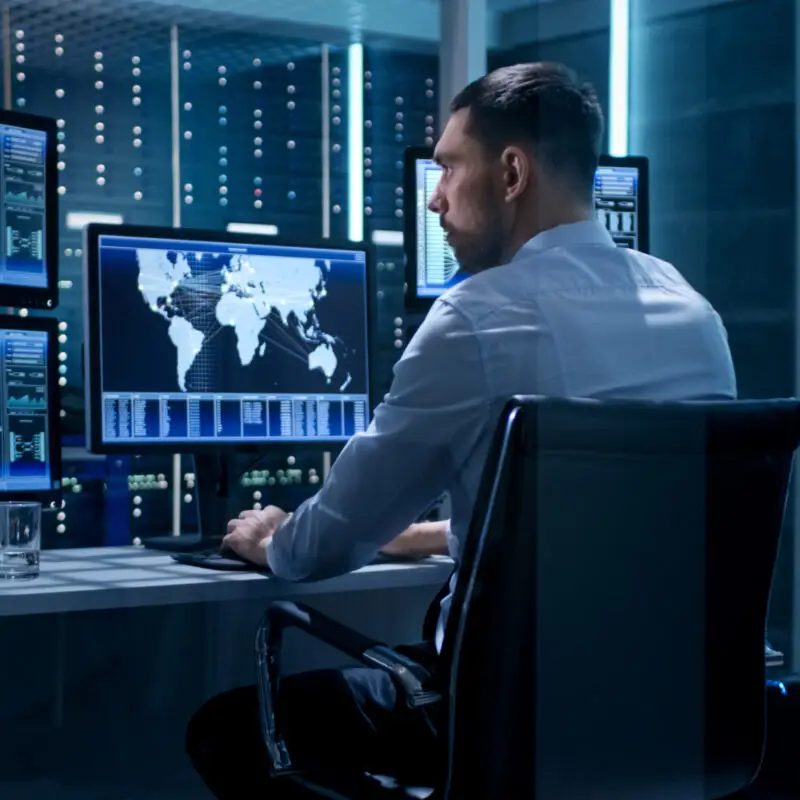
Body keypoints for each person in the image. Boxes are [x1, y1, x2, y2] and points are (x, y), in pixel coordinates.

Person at [186, 61, 737, 798]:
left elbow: (324, 545)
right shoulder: (693, 310)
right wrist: (427, 535)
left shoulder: (477, 315)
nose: (435, 198)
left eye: (447, 168)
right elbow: (606, 527)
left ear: (511, 173)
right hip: (678, 712)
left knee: (229, 729)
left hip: (510, 718)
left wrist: (272, 540)